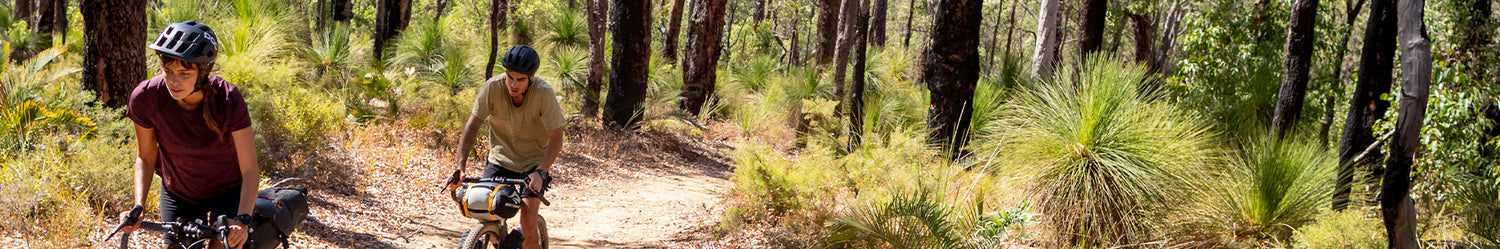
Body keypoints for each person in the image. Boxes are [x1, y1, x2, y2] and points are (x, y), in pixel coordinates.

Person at [117, 20, 258, 249]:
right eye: (168, 71)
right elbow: (146, 157)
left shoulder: (228, 99)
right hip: (179, 191)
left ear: (203, 72)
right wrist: (138, 206)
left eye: (184, 72)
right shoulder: (146, 97)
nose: (174, 81)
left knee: (224, 245)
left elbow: (250, 168)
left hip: (228, 191)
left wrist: (242, 220)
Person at [448, 45, 564, 249]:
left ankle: (522, 235)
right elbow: (473, 125)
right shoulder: (492, 88)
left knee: (527, 222)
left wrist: (541, 172)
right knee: (484, 213)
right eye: (510, 77)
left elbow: (556, 138)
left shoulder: (543, 94)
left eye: (520, 79)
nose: (513, 84)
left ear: (531, 77)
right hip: (499, 160)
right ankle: (495, 237)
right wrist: (461, 166)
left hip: (533, 165)